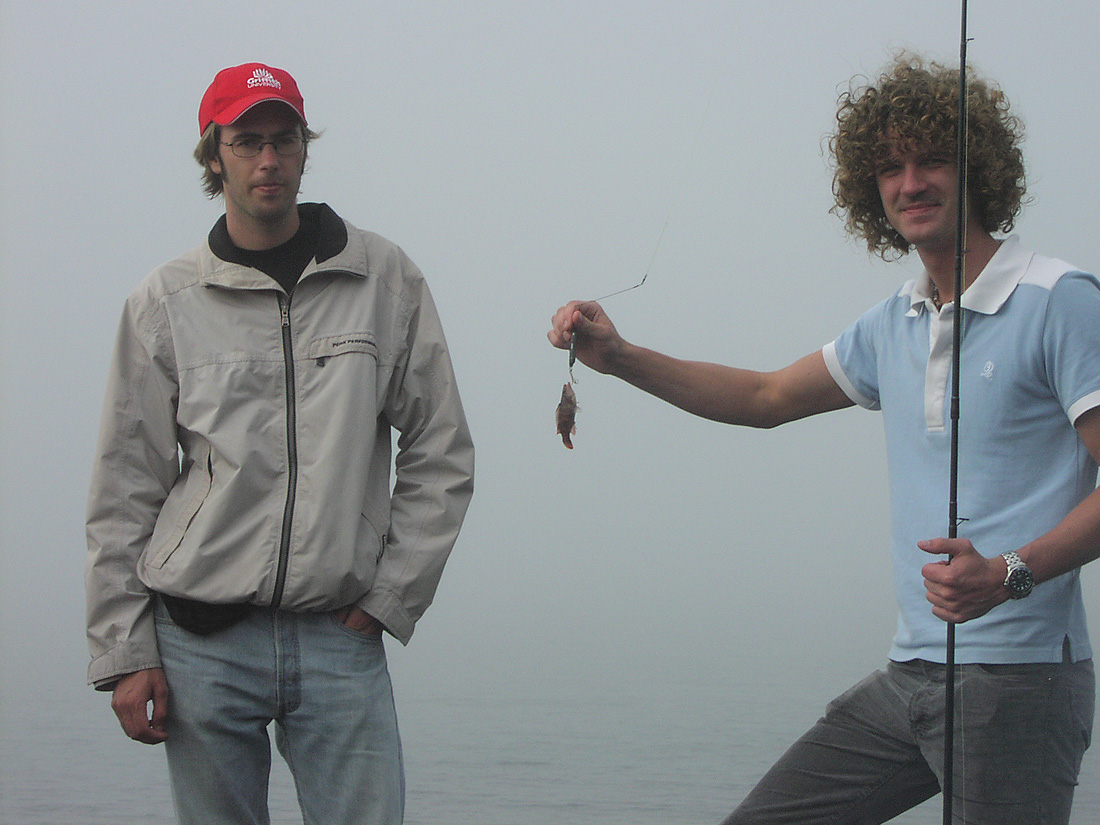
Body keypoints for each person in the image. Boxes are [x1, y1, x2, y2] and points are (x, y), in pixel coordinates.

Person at [549, 54, 1097, 825]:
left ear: (978, 167)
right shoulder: (894, 321)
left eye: (931, 160)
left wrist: (1009, 571)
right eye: (891, 168)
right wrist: (620, 358)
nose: (911, 183)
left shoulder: (1058, 300)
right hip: (911, 673)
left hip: (1021, 680)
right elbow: (766, 396)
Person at [85, 62, 474, 825]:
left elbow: (442, 447)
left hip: (339, 631)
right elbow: (124, 485)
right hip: (200, 641)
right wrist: (126, 652)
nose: (269, 160)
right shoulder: (164, 303)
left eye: (284, 139)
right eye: (247, 142)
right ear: (214, 156)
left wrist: (392, 594)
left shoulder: (383, 280)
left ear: (304, 148)